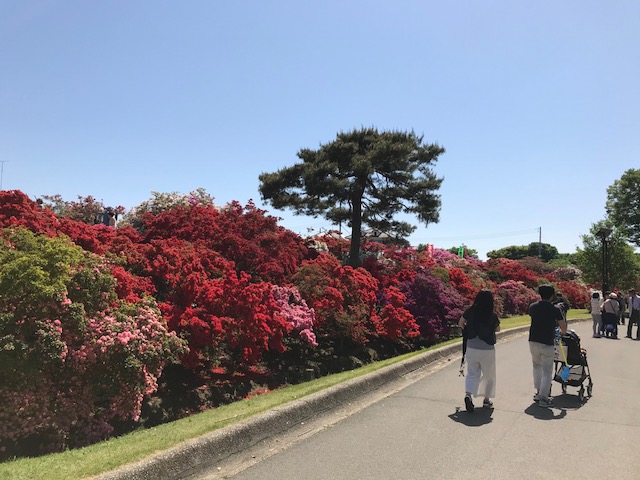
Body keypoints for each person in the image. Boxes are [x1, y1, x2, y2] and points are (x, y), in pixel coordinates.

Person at [458, 289, 501, 413]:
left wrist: (468, 330)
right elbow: (497, 329)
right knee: (489, 375)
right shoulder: (491, 315)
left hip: (471, 347)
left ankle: (468, 395)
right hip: (487, 349)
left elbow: (461, 322)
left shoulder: (470, 311)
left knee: (472, 373)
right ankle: (486, 400)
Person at [528, 284, 567, 408]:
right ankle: (543, 396)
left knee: (536, 366)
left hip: (533, 339)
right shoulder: (555, 309)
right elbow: (563, 327)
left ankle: (538, 391)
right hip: (546, 341)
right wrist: (561, 332)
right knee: (547, 371)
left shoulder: (533, 307)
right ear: (552, 295)